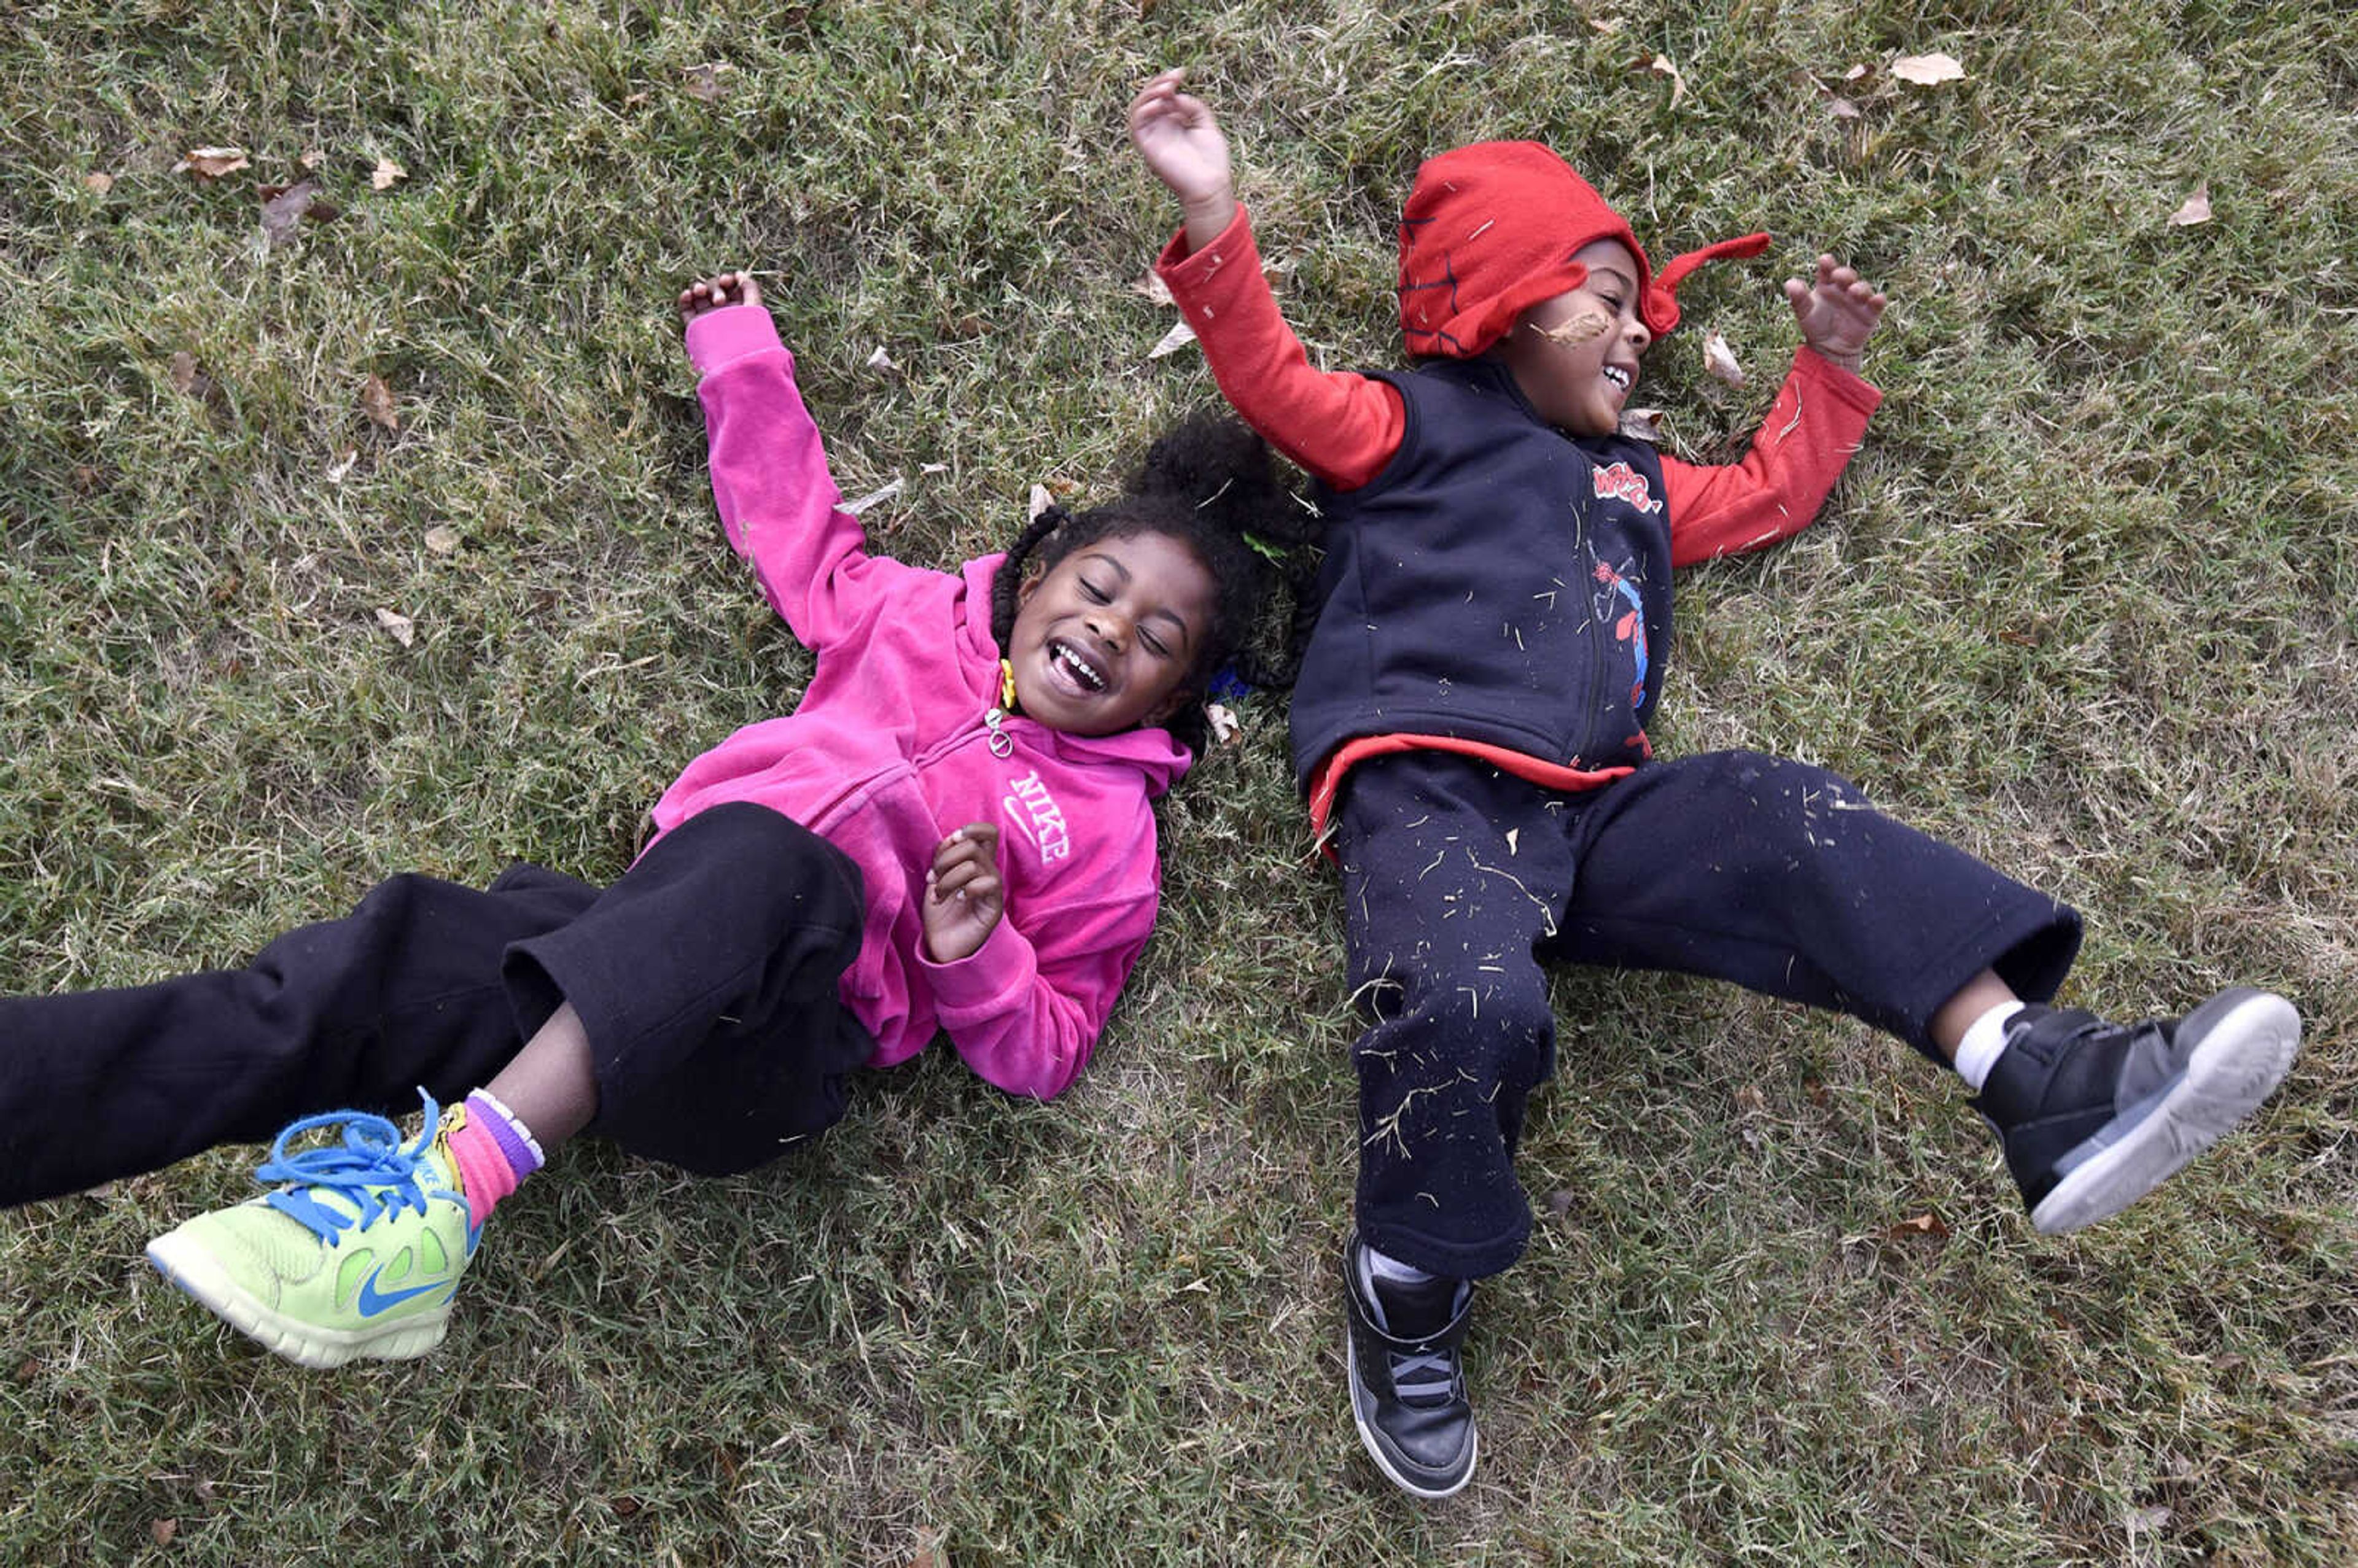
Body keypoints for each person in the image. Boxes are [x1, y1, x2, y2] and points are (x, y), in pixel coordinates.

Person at [1128, 69, 2301, 1499]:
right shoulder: (1405, 427)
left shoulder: (1633, 485)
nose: (1635, 329)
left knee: (1769, 804)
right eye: (1601, 297)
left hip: (1599, 810)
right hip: (1431, 791)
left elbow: (1767, 493)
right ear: (1500, 301)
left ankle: (2037, 1071)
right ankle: (1409, 1280)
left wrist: (1831, 375)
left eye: (1637, 304)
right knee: (1472, 1001)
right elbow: (1270, 376)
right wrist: (1212, 209)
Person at [0, 270, 1314, 1370]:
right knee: (392, 961)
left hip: (768, 1059)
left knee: (779, 865)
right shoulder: (909, 617)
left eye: (1155, 640)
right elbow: (799, 530)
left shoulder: (1111, 842)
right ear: (1034, 579)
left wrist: (979, 958)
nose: (1106, 629)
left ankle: (441, 1199)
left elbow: (1052, 1048)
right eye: (1094, 586)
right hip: (632, 943)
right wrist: (739, 356)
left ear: (1178, 694)